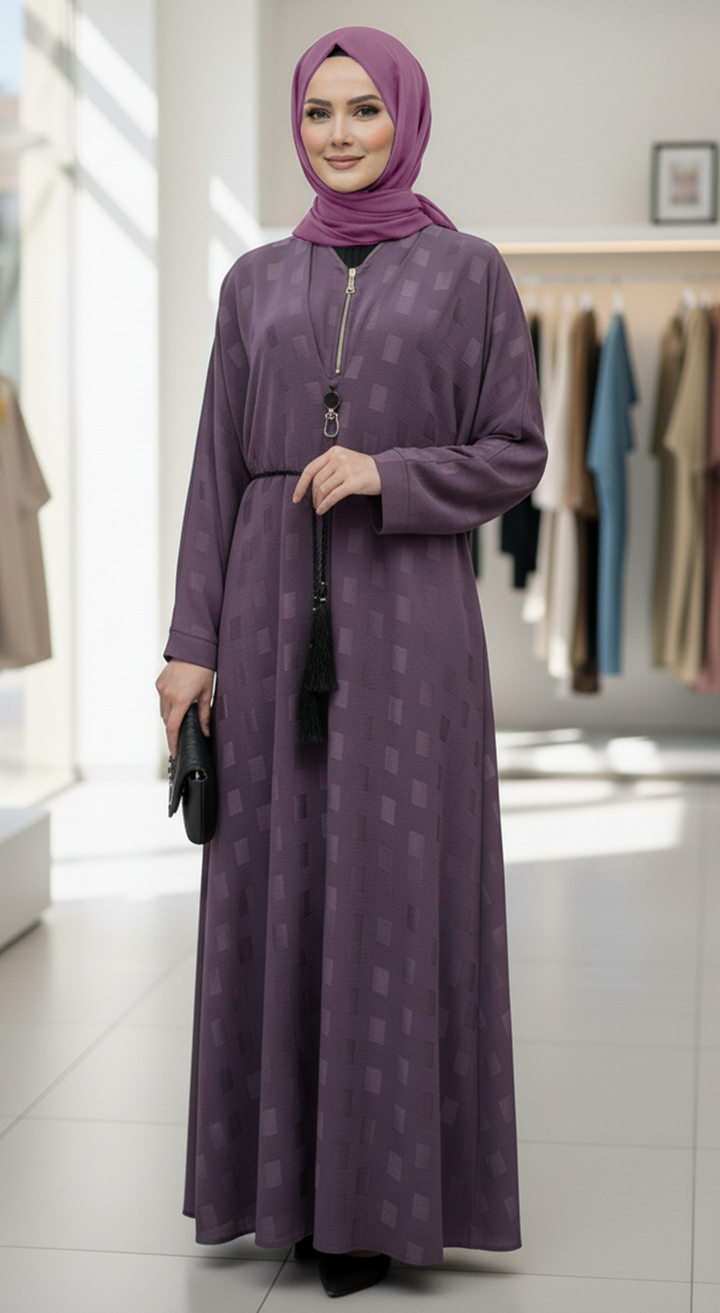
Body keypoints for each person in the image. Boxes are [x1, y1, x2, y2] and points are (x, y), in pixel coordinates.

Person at [156, 25, 546, 1300]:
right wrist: (190, 645)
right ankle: (279, 1188)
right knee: (274, 886)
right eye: (319, 111)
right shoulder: (256, 281)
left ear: (406, 120)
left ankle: (376, 1200)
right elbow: (216, 470)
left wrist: (391, 472)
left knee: (390, 890)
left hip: (410, 629)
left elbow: (516, 450)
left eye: (364, 110)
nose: (339, 133)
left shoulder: (469, 272)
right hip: (266, 622)